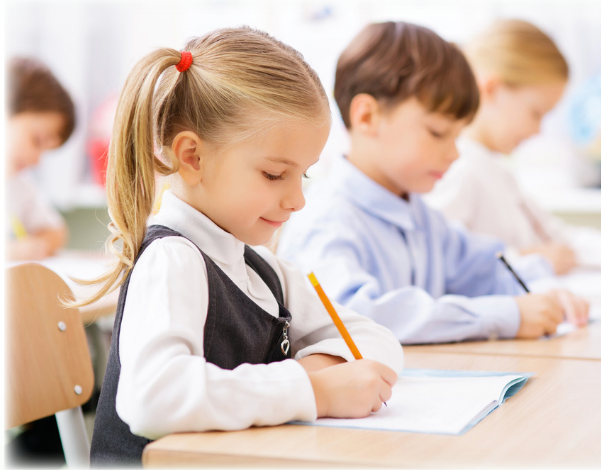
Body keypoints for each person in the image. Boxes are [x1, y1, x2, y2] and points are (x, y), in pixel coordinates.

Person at [74, 27, 403, 466]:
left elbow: (374, 339)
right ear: (192, 157)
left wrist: (316, 370)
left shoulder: (263, 269)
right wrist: (313, 389)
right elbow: (153, 398)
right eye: (273, 174)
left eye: (303, 175)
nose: (298, 200)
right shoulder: (173, 260)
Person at [277, 22, 589, 346]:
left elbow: (486, 269)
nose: (454, 152)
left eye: (458, 135)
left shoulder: (421, 217)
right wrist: (504, 314)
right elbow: (353, 315)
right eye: (439, 132)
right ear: (367, 116)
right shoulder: (328, 219)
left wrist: (543, 290)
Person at [424, 19, 601, 275]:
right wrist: (529, 259)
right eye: (536, 113)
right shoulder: (458, 168)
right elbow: (444, 261)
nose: (538, 130)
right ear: (492, 90)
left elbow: (554, 235)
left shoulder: (494, 168)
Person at [6, 57, 74, 260]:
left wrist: (35, 246)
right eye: (37, 140)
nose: (36, 160)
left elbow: (56, 232)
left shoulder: (17, 183)